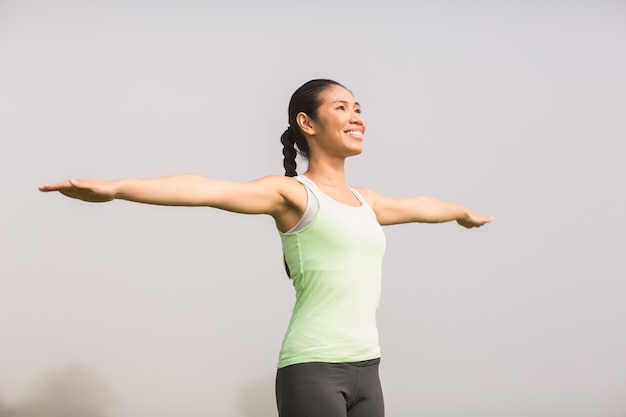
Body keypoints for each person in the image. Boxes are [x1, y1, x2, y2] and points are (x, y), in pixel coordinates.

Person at [39, 79, 493, 417]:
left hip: (368, 371)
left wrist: (462, 212)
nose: (357, 116)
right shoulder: (292, 195)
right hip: (313, 370)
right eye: (342, 108)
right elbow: (204, 188)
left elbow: (422, 206)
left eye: (358, 107)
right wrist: (116, 187)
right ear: (307, 123)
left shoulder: (366, 202)